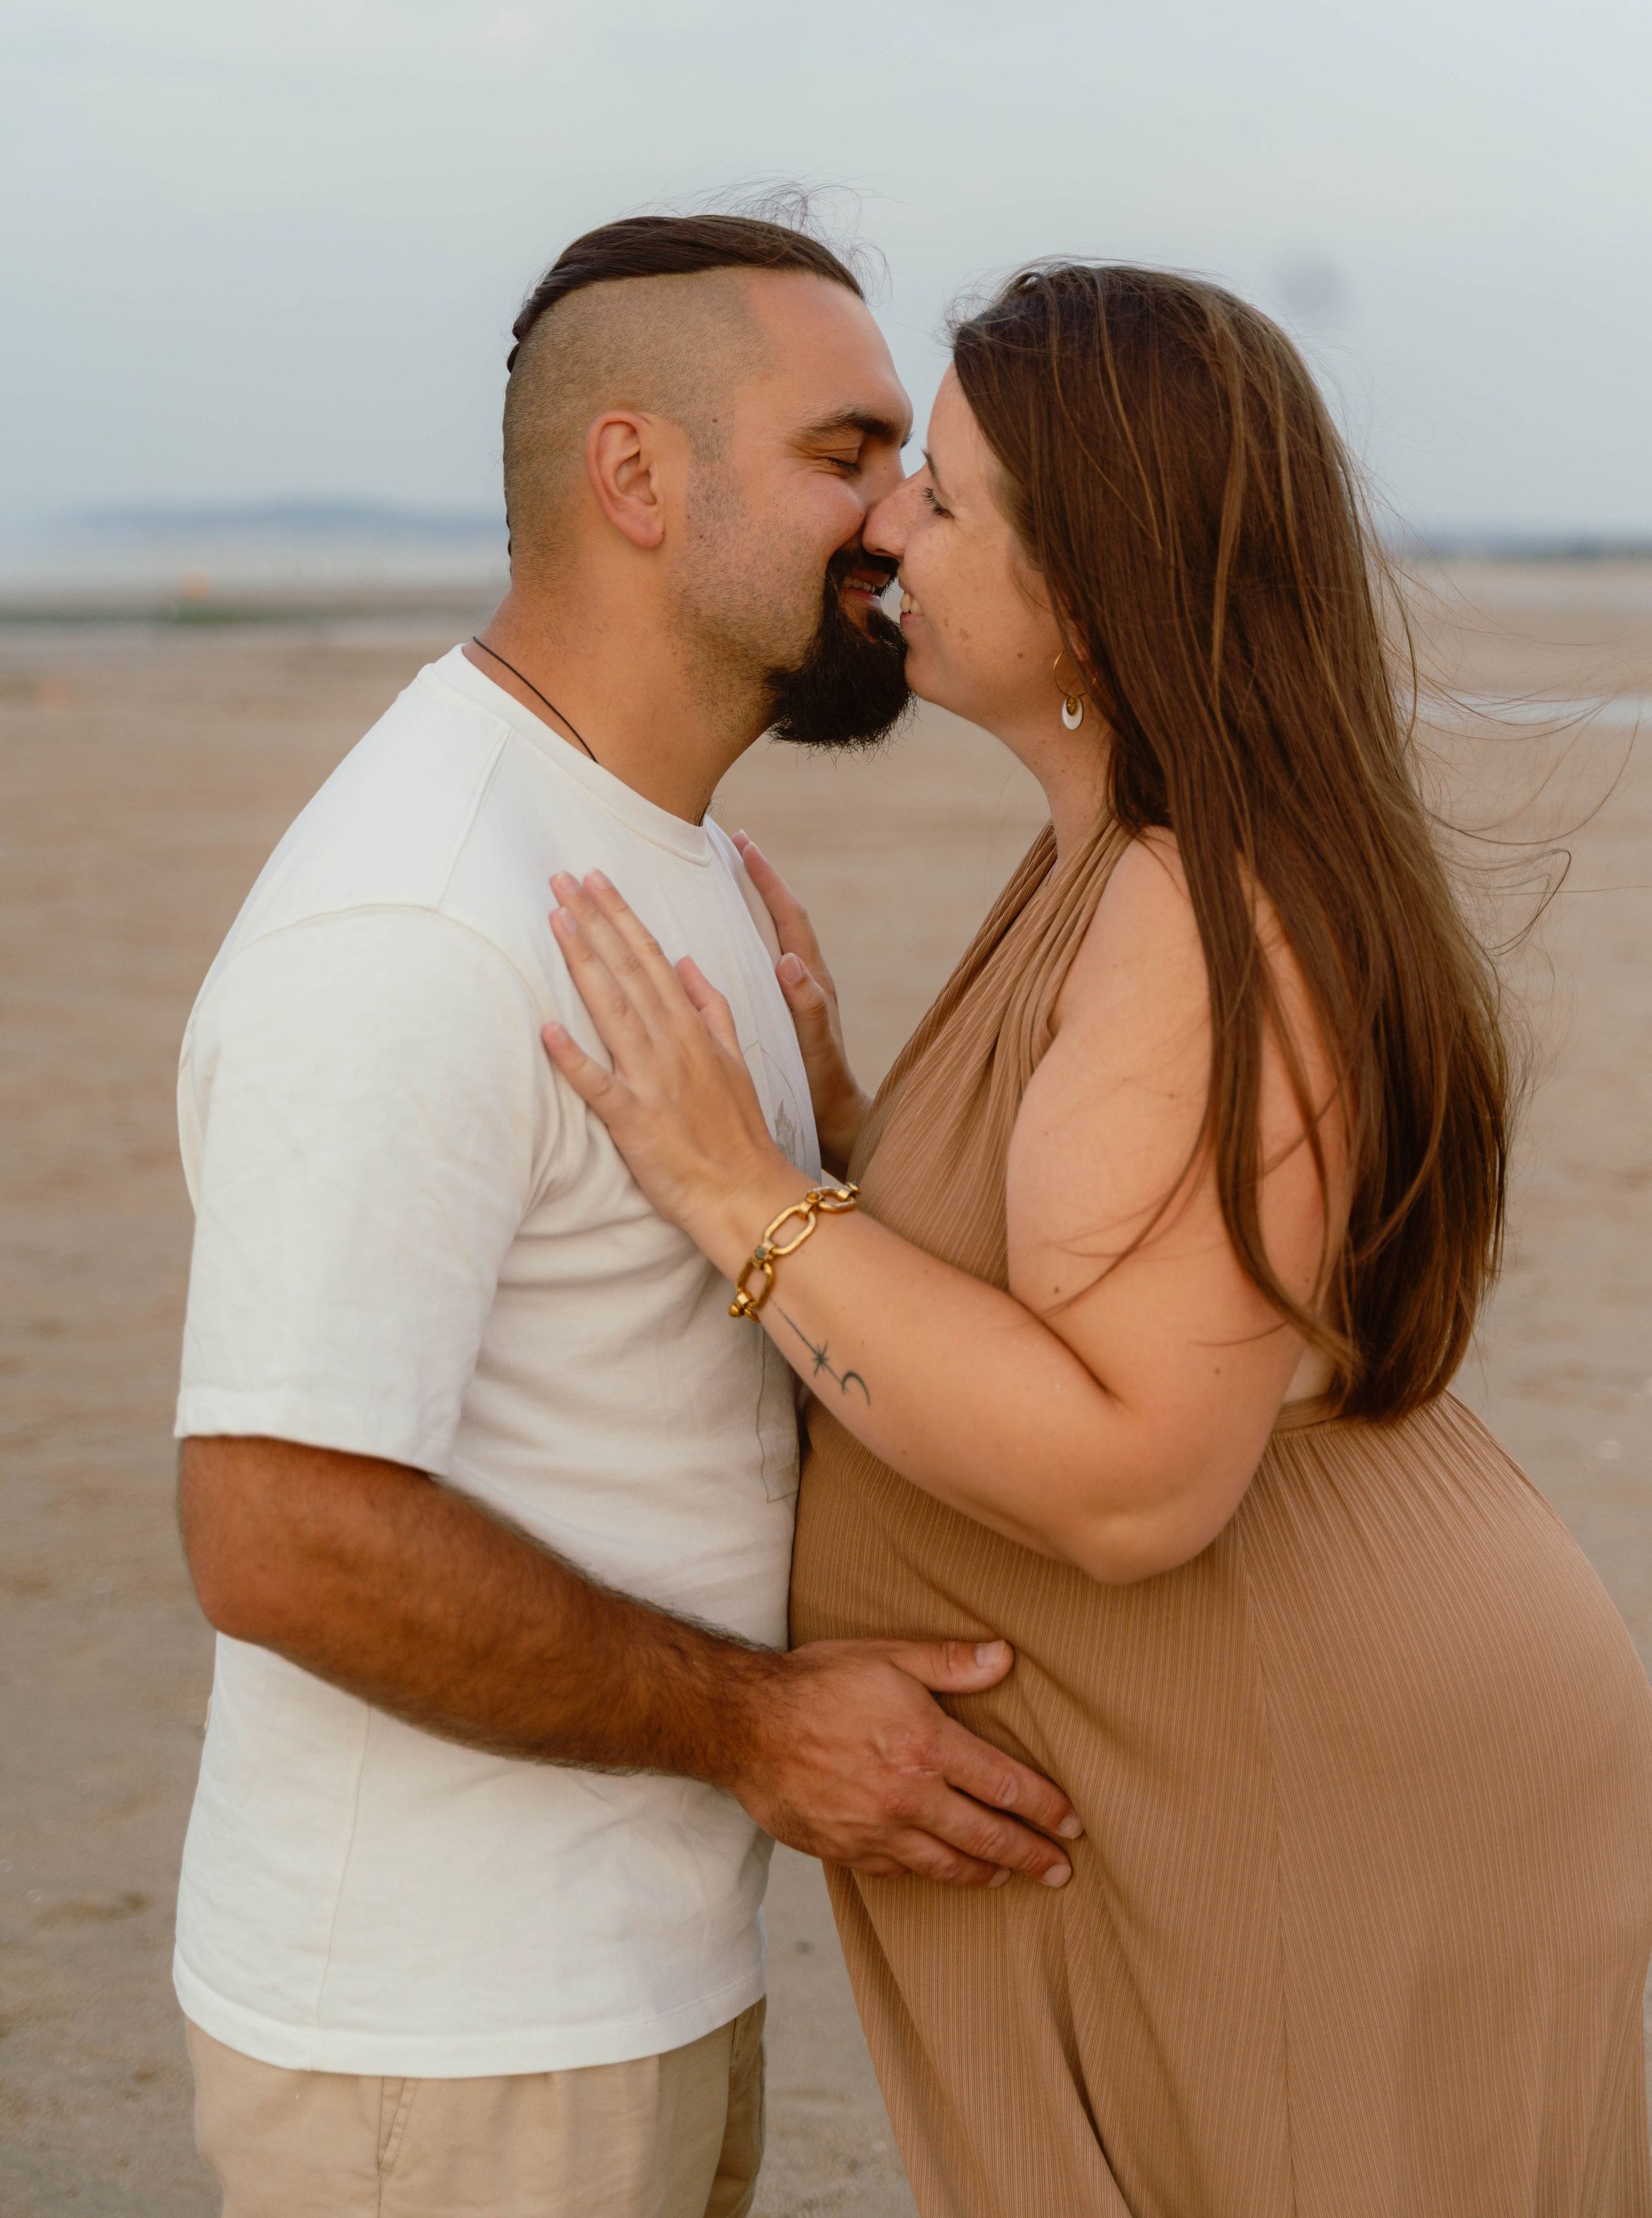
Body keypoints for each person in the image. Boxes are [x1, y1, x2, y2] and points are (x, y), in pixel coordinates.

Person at [541, 261, 1652, 2217]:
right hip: (1236, 1760)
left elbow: (1139, 1476)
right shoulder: (1115, 854)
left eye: (948, 496)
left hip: (1300, 1796)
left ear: (1100, 581)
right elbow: (1111, 1267)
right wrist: (870, 1137)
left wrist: (742, 1190)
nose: (890, 522)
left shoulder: (1195, 910)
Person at [170, 210, 1082, 2218]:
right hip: (451, 2042)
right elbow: (278, 1526)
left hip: (629, 1969)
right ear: (638, 478)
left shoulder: (667, 850)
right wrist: (759, 1728)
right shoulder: (420, 915)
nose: (902, 519)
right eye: (849, 456)